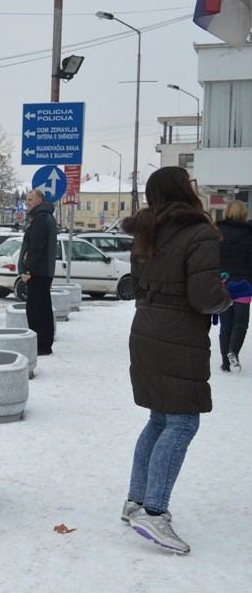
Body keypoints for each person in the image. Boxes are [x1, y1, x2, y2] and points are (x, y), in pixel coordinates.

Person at [119, 166, 231, 555]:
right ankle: (153, 510)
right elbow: (204, 296)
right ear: (185, 191)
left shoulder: (144, 230)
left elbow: (134, 285)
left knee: (159, 419)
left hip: (146, 327)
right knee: (182, 422)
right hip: (179, 334)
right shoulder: (199, 232)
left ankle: (135, 500)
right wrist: (227, 296)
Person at [18, 189, 57, 355]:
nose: (27, 202)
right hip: (43, 271)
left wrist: (27, 269)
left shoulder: (40, 219)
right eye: (27, 199)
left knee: (36, 310)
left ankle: (41, 345)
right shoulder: (44, 216)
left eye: (30, 199)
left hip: (38, 272)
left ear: (40, 201)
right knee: (43, 308)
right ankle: (44, 343)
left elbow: (35, 247)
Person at [216, 200, 252, 371]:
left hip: (223, 283)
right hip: (244, 284)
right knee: (241, 322)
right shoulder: (249, 234)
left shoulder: (218, 232)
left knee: (226, 323)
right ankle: (233, 351)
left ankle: (225, 362)